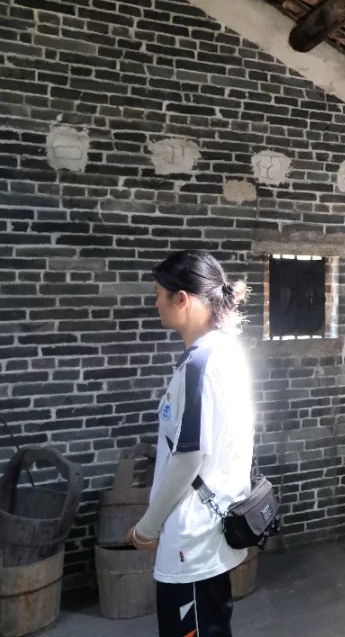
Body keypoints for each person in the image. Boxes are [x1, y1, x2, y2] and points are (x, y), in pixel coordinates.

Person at [128, 250, 255, 637]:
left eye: (158, 294)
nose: (155, 303)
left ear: (181, 299)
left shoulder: (201, 365)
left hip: (193, 538)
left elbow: (189, 458)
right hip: (211, 528)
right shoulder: (226, 352)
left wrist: (147, 527)